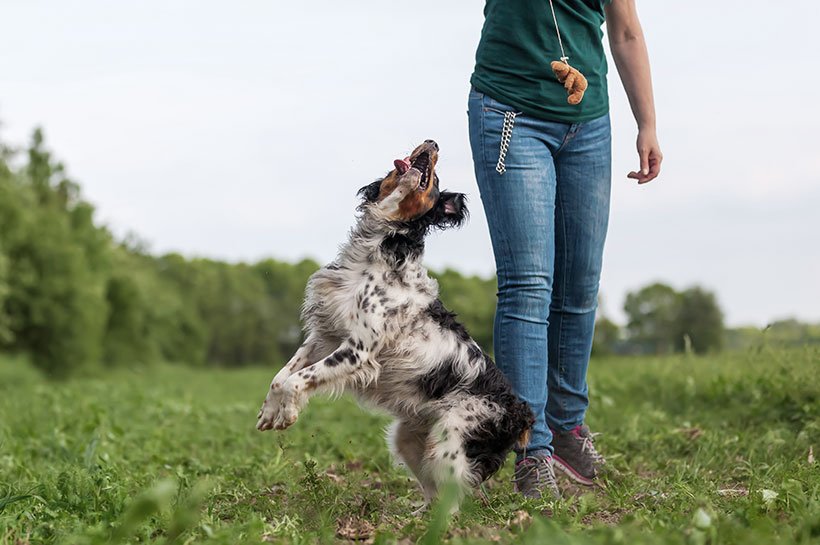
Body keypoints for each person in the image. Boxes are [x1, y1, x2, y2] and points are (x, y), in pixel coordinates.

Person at [467, 0, 662, 499]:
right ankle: (532, 451)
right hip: (512, 112)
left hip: (587, 123)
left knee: (578, 287)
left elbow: (625, 31)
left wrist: (647, 124)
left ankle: (568, 431)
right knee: (529, 285)